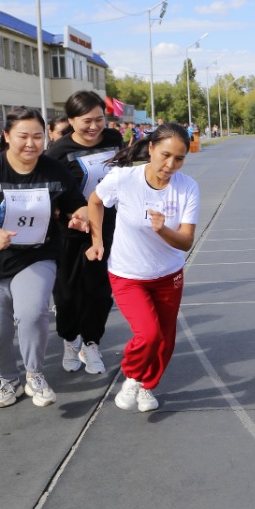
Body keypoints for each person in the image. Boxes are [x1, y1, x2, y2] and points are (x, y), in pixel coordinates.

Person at [0, 108, 89, 410]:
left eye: (38, 136)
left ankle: (35, 374)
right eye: (23, 136)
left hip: (37, 255)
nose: (31, 143)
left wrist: (79, 217)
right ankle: (8, 380)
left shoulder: (54, 170)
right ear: (6, 136)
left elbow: (77, 204)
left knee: (32, 313)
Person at [88, 124, 199, 414]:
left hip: (168, 275)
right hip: (128, 275)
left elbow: (186, 241)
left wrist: (163, 229)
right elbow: (95, 201)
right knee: (148, 334)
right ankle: (133, 375)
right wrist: (97, 240)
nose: (170, 165)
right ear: (150, 148)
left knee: (165, 339)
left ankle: (147, 385)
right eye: (165, 155)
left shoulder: (187, 187)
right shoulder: (123, 178)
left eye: (179, 158)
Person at [45, 91, 125, 374]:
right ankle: (70, 339)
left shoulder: (114, 140)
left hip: (106, 227)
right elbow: (50, 195)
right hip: (70, 232)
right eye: (86, 121)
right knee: (67, 294)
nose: (94, 126)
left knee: (98, 290)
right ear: (71, 120)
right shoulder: (57, 152)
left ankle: (91, 343)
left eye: (99, 119)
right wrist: (69, 213)